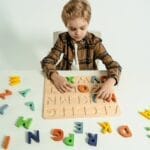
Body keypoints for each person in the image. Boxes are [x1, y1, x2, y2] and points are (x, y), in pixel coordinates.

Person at [41, 0, 122, 101]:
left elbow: (114, 66)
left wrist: (110, 82)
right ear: (66, 25)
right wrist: (56, 77)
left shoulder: (94, 43)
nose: (78, 33)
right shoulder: (63, 39)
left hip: (87, 80)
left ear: (88, 23)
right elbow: (47, 61)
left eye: (82, 28)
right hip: (65, 79)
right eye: (72, 29)